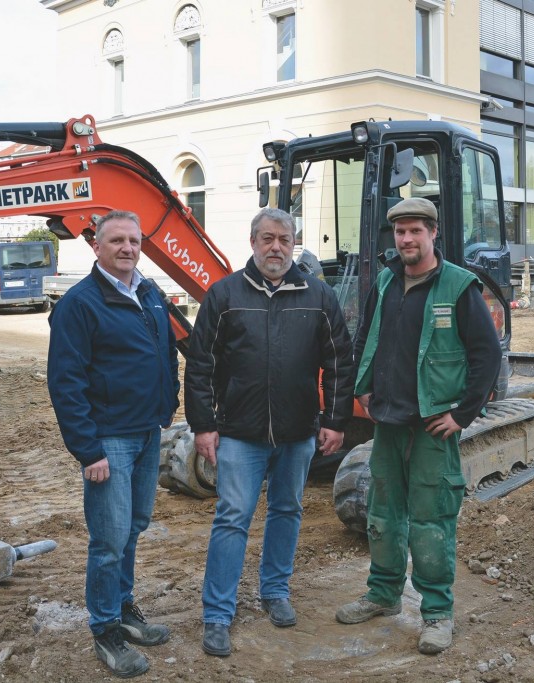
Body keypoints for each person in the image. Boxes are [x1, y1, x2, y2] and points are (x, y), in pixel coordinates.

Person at [335, 196, 501, 655]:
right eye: (400, 231)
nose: (406, 239)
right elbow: (367, 336)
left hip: (433, 426)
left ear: (432, 234)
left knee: (431, 522)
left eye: (415, 231)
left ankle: (436, 614)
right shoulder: (387, 281)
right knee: (383, 517)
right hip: (388, 420)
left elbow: (487, 355)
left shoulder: (459, 287)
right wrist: (364, 388)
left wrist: (463, 413)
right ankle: (383, 594)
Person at [185, 207, 354, 657]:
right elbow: (200, 364)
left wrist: (335, 420)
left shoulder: (318, 295)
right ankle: (218, 614)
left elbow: (339, 361)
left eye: (283, 239)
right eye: (267, 239)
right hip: (240, 432)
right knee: (232, 518)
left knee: (287, 510)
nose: (275, 247)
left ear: (293, 243)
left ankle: (275, 591)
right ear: (253, 241)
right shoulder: (224, 295)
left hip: (298, 432)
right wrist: (203, 425)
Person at [47, 209, 179, 679]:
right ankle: (105, 629)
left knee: (134, 527)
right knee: (108, 539)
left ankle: (123, 609)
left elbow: (166, 353)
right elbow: (65, 382)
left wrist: (170, 402)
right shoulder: (80, 304)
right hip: (109, 442)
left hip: (147, 432)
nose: (127, 248)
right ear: (97, 247)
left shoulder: (148, 292)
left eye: (134, 240)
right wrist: (89, 450)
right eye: (117, 240)